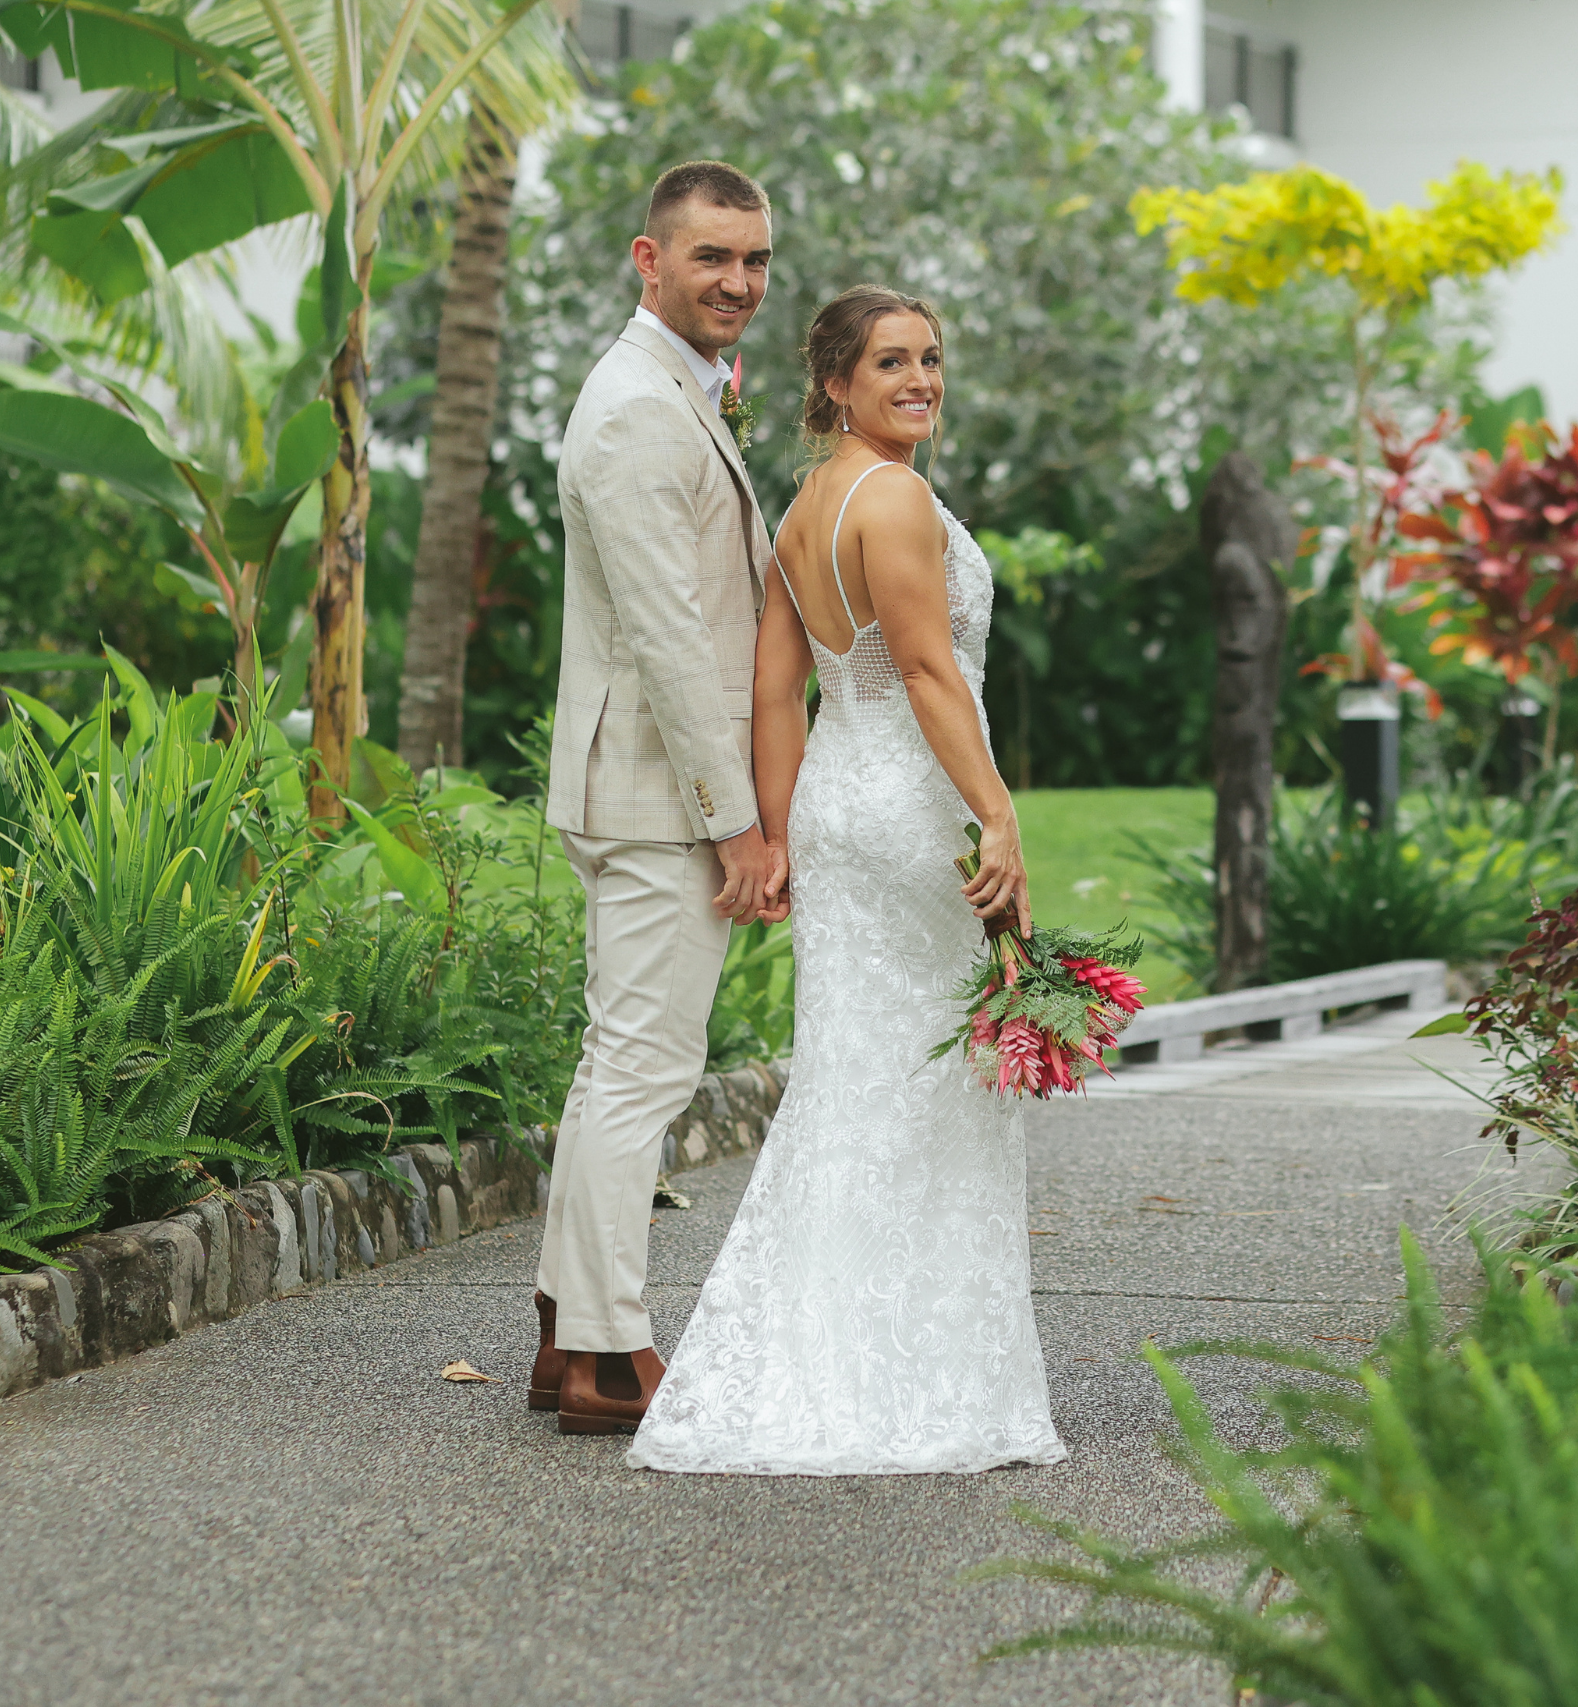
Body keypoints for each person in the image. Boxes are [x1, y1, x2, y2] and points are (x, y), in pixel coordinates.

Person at [627, 286, 1067, 1475]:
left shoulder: (804, 509)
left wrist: (772, 837)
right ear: (835, 385)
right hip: (915, 805)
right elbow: (928, 672)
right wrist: (996, 815)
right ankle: (922, 1378)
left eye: (930, 358)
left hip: (835, 809)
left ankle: (815, 1357)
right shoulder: (899, 500)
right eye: (891, 363)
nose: (920, 379)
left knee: (849, 1078)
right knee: (931, 1086)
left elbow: (778, 693)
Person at [530, 160, 782, 1435]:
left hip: (636, 786)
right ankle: (608, 1354)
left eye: (753, 262)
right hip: (654, 799)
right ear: (648, 258)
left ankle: (562, 1328)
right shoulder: (636, 408)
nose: (737, 283)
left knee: (615, 1065)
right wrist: (733, 820)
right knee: (644, 1069)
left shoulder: (672, 393)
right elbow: (673, 640)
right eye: (710, 260)